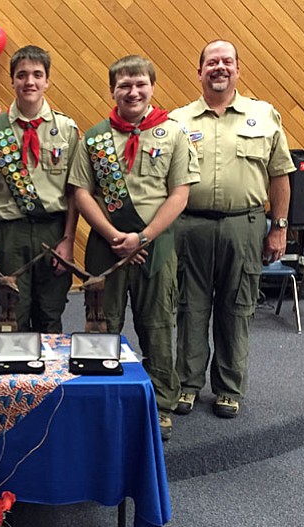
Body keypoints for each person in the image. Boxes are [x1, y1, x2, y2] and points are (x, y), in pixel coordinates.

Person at [68, 55, 200, 441]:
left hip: (155, 246)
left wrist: (142, 238)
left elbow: (179, 194)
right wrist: (114, 235)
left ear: (152, 87)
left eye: (140, 83)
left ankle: (159, 404)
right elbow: (81, 192)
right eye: (124, 84)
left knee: (157, 325)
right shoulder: (94, 138)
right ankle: (102, 397)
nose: (133, 91)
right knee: (101, 322)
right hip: (105, 246)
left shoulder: (173, 133)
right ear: (113, 90)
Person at [170, 40, 294, 419]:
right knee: (190, 307)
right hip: (190, 226)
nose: (219, 67)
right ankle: (188, 384)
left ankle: (228, 388)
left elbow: (280, 176)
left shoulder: (264, 115)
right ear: (199, 71)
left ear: (238, 69)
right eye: (211, 62)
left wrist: (280, 228)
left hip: (246, 224)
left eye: (227, 61)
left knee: (237, 308)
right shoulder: (178, 121)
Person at [0, 45, 79, 333]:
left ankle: (51, 379)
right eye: (21, 75)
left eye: (37, 75)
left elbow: (75, 191)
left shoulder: (66, 129)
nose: (29, 82)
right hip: (11, 233)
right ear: (12, 81)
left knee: (50, 313)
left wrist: (69, 240)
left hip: (54, 231)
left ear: (47, 81)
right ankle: (16, 378)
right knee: (12, 313)